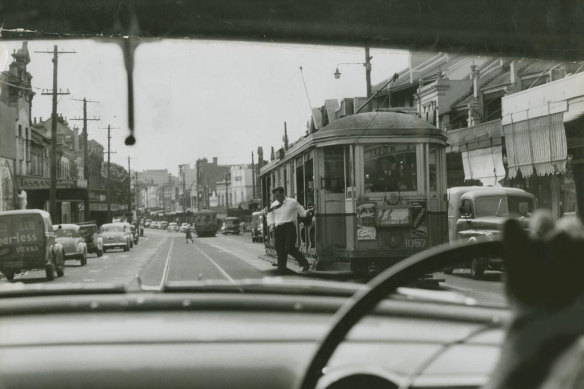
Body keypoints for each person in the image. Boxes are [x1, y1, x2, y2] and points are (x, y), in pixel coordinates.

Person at [266, 186, 314, 275]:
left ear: (282, 193)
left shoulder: (292, 202)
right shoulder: (274, 205)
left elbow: (302, 212)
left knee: (289, 247)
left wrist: (307, 212)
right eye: (275, 197)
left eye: (277, 196)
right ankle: (281, 270)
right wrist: (271, 225)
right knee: (280, 250)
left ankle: (305, 264)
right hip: (278, 229)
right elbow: (269, 215)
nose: (276, 198)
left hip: (289, 227)